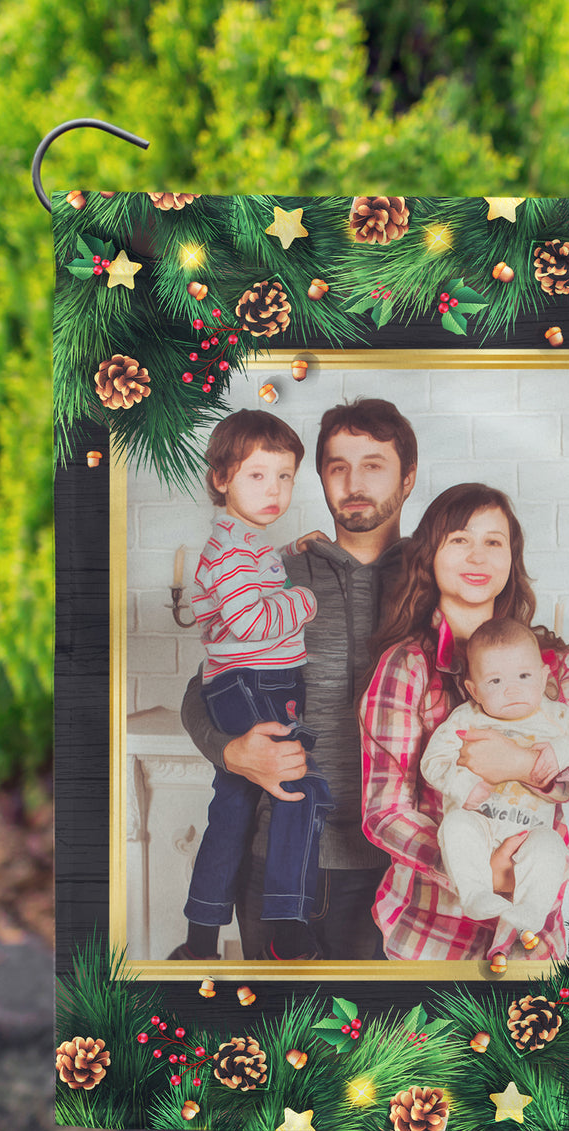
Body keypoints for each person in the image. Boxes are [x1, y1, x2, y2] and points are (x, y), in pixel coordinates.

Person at [173, 397, 418, 960]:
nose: (353, 482)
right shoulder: (280, 569)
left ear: (407, 479)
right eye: (337, 466)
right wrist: (231, 751)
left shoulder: (433, 575)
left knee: (385, 1044)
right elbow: (203, 688)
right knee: (273, 1043)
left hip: (400, 869)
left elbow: (496, 668)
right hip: (275, 863)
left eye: (373, 465)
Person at [360, 483, 569, 962]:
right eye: (460, 540)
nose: (478, 556)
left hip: (533, 934)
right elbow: (385, 811)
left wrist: (524, 764)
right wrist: (480, 869)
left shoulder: (551, 661)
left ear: (512, 559)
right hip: (431, 928)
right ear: (431, 555)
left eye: (494, 542)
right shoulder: (407, 666)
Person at [181, 409, 331, 960]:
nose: (275, 489)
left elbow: (251, 581)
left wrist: (290, 556)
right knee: (297, 788)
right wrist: (304, 599)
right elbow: (250, 621)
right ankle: (287, 921)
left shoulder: (242, 544)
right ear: (222, 479)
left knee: (235, 807)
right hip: (251, 685)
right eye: (257, 475)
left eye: (286, 476)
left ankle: (201, 936)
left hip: (246, 682)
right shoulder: (234, 551)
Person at [421, 617, 569, 946]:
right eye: (495, 681)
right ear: (473, 689)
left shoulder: (554, 715)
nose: (512, 689)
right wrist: (463, 785)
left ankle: (532, 911)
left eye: (524, 676)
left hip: (529, 832)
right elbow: (433, 761)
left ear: (543, 678)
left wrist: (559, 751)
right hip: (479, 826)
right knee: (455, 828)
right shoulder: (467, 718)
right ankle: (476, 894)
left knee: (551, 847)